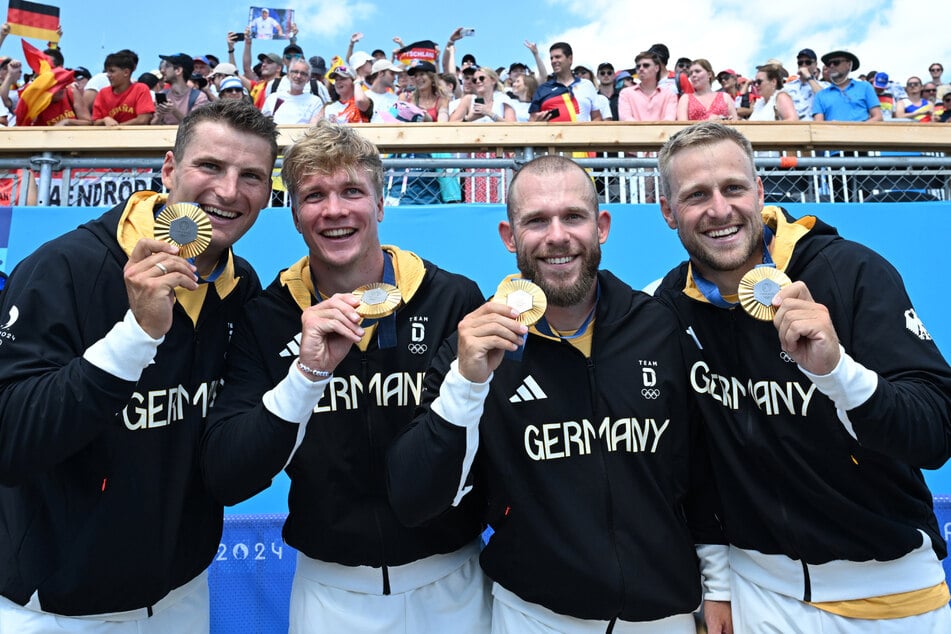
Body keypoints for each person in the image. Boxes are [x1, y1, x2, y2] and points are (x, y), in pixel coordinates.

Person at [387, 154, 730, 634]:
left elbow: (702, 469)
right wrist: (466, 385)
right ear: (509, 236)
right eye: (536, 221)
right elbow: (413, 497)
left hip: (663, 615)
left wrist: (718, 587)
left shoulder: (658, 325)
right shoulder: (475, 346)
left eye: (573, 216)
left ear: (602, 226)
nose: (557, 236)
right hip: (535, 616)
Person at [655, 121, 951, 632]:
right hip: (760, 596)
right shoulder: (670, 306)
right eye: (696, 195)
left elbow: (935, 432)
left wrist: (838, 372)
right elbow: (697, 458)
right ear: (668, 212)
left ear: (760, 191)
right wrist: (719, 584)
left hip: (891, 592)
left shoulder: (851, 271)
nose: (719, 209)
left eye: (734, 188)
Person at [200, 120, 490, 634]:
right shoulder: (267, 316)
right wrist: (305, 376)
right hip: (331, 592)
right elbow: (227, 472)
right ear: (293, 215)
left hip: (454, 580)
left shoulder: (452, 297)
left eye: (352, 191)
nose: (334, 210)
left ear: (380, 205)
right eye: (314, 196)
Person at [0, 100, 278, 630]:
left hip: (182, 596)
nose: (227, 191)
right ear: (170, 169)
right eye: (210, 166)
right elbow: (10, 438)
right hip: (57, 609)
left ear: (267, 193)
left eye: (251, 176)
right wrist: (137, 335)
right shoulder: (63, 267)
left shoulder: (242, 287)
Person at [812, 49, 882, 122]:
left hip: (862, 133)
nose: (831, 66)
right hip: (833, 133)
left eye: (836, 62)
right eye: (828, 64)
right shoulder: (820, 95)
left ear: (849, 65)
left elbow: (878, 117)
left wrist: (854, 130)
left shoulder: (865, 87)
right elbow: (818, 125)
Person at [92, 49, 155, 126]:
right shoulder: (103, 93)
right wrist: (105, 120)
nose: (108, 75)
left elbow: (143, 120)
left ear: (126, 72)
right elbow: (95, 121)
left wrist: (117, 127)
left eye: (112, 71)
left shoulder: (140, 89)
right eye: (107, 71)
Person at [619, 50, 678, 121]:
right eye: (638, 66)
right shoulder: (625, 93)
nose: (641, 68)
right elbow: (626, 119)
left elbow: (669, 120)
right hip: (634, 132)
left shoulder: (669, 95)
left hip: (663, 132)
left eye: (646, 65)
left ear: (657, 68)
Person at [261, 57, 324, 124]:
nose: (298, 76)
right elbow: (263, 125)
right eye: (295, 72)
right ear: (289, 75)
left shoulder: (315, 102)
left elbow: (314, 129)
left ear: (308, 79)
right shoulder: (273, 98)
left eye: (303, 73)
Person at [153, 53, 209, 125]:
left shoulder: (199, 97)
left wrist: (174, 110)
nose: (162, 70)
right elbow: (153, 125)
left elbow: (194, 126)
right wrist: (159, 115)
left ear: (178, 70)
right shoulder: (162, 94)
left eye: (167, 66)